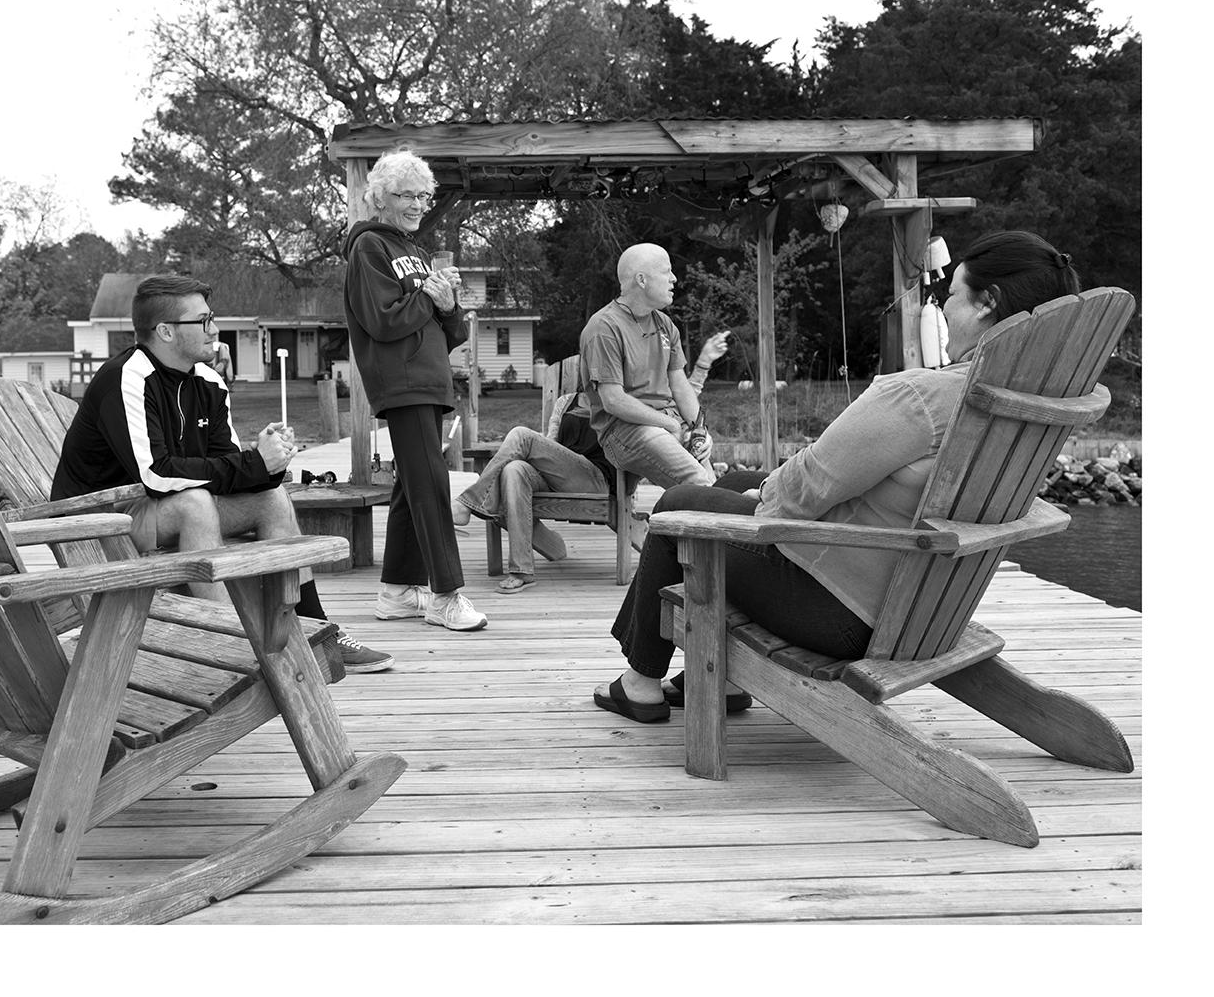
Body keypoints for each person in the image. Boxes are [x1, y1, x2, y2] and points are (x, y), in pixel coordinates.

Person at [593, 229, 1083, 722]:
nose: (943, 309)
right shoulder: (1024, 403)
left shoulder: (922, 397)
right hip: (920, 604)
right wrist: (755, 492)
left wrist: (763, 498)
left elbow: (807, 487)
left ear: (986, 304)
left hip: (839, 611)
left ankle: (640, 682)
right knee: (725, 488)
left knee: (679, 504)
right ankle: (718, 679)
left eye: (951, 295)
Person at [50, 272, 393, 673]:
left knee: (270, 498)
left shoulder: (209, 382)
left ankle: (314, 630)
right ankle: (225, 643)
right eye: (204, 321)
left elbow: (229, 471)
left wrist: (267, 465)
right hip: (104, 518)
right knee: (194, 504)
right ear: (165, 331)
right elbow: (155, 474)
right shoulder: (128, 377)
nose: (216, 330)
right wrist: (250, 464)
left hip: (160, 508)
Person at [451, 332, 732, 593]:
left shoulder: (626, 404)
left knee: (521, 435)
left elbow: (683, 403)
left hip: (599, 480)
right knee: (514, 468)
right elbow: (550, 444)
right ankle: (522, 570)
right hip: (559, 475)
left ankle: (470, 503)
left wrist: (704, 363)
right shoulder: (565, 402)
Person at [343, 148, 488, 631]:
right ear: (381, 197)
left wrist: (446, 303)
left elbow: (453, 335)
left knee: (411, 485)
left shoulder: (417, 252)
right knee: (431, 484)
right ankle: (447, 594)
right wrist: (426, 294)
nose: (418, 205)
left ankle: (397, 592)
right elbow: (383, 322)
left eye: (424, 197)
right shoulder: (368, 248)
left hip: (430, 380)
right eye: (407, 195)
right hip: (401, 383)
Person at [579, 243, 717, 490]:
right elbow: (613, 401)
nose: (674, 279)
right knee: (698, 483)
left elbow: (679, 385)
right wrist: (670, 425)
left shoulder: (664, 324)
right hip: (625, 430)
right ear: (642, 280)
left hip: (667, 424)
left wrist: (699, 429)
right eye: (666, 272)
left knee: (713, 486)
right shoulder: (604, 328)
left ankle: (675, 527)